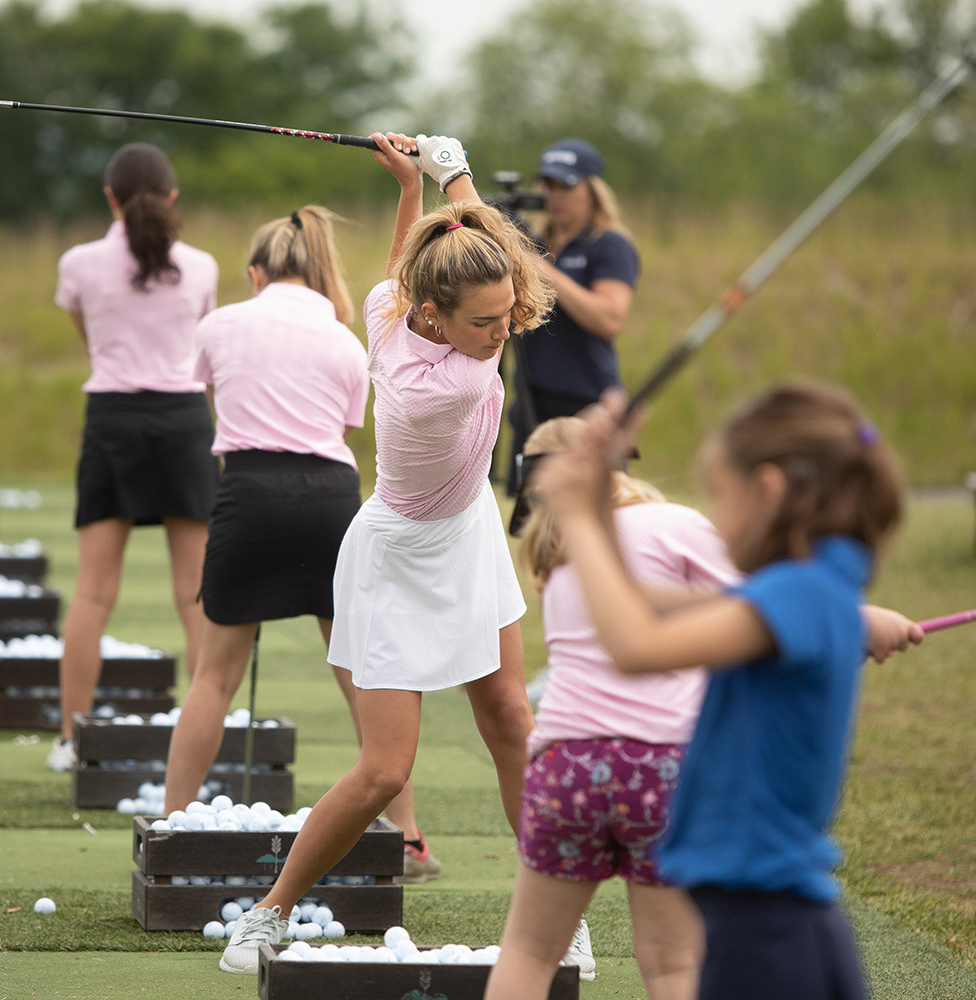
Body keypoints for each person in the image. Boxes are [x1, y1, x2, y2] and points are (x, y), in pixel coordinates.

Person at [216, 131, 555, 975]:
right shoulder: (446, 383)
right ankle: (267, 914)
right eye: (486, 321)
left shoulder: (388, 305)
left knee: (512, 722)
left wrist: (412, 185)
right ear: (435, 319)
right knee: (382, 769)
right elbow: (491, 243)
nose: (502, 328)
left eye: (506, 313)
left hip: (468, 529)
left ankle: (554, 913)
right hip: (397, 555)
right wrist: (454, 173)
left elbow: (415, 268)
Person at [534, 382, 924, 1000]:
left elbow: (636, 645)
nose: (715, 517)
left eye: (721, 497)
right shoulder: (814, 588)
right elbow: (645, 601)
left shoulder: (796, 594)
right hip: (782, 916)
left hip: (762, 925)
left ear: (768, 493)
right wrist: (603, 482)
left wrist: (578, 513)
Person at [161, 206, 436, 880]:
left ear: (256, 273)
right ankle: (407, 838)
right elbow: (343, 429)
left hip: (247, 493)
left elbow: (204, 392)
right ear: (318, 271)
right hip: (329, 501)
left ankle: (171, 832)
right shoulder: (346, 338)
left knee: (213, 676)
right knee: (362, 676)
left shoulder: (219, 323)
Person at [486, 416, 739, 998]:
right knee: (675, 965)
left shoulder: (554, 550)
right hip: (664, 769)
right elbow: (756, 607)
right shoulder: (676, 523)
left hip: (563, 770)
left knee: (528, 953)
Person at [47, 142, 218, 772]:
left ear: (110, 197)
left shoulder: (78, 262)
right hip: (181, 422)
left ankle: (70, 739)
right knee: (195, 594)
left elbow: (89, 336)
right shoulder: (200, 265)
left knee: (93, 592)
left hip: (113, 419)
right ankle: (207, 737)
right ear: (172, 198)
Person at [507, 138, 640, 497]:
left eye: (566, 185)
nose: (556, 196)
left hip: (586, 401)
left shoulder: (608, 245)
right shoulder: (534, 245)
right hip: (533, 399)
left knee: (591, 510)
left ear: (593, 190)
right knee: (530, 515)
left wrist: (544, 271)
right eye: (548, 185)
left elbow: (609, 318)